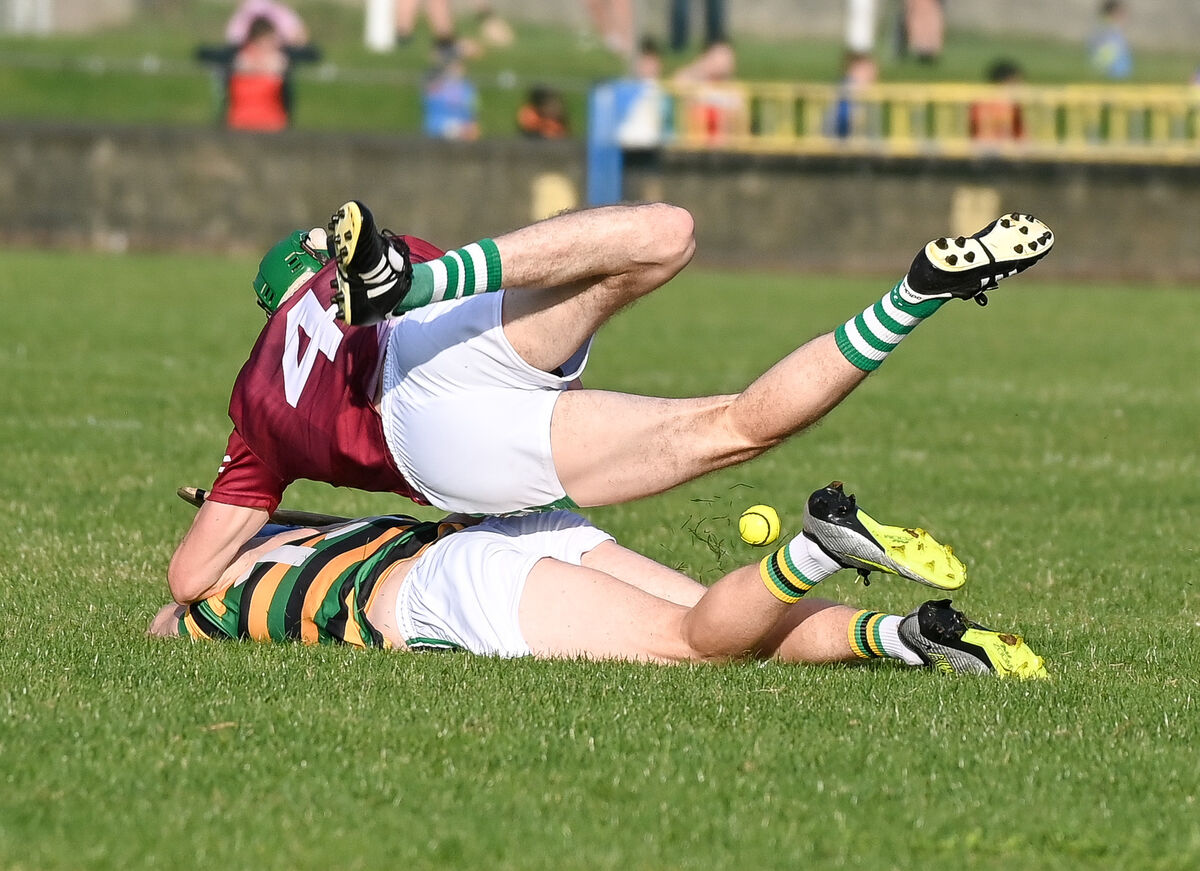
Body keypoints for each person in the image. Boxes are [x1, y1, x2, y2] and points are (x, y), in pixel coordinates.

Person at [167, 200, 1053, 606]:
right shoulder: (342, 278)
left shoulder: (254, 399)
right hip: (423, 333)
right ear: (318, 268)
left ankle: (916, 299)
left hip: (435, 443)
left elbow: (188, 580)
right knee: (663, 237)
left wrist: (276, 518)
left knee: (737, 428)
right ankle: (918, 289)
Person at [152, 481, 1048, 679]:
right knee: (716, 621)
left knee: (694, 647)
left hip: (451, 588)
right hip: (506, 530)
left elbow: (169, 612)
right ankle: (914, 636)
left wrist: (208, 556)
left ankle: (814, 551)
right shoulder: (326, 529)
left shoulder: (220, 601)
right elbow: (272, 516)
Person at [422, 58, 480, 141]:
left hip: (461, 124)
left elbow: (472, 111)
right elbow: (434, 110)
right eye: (453, 68)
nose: (456, 71)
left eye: (458, 68)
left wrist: (472, 124)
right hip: (439, 124)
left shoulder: (468, 88)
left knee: (472, 132)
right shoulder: (436, 86)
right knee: (461, 132)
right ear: (446, 69)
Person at [1088, 0, 1132, 80]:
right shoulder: (1108, 29)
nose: (1125, 16)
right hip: (1111, 69)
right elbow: (1105, 52)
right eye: (1121, 12)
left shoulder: (1109, 27)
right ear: (1113, 13)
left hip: (1112, 68)